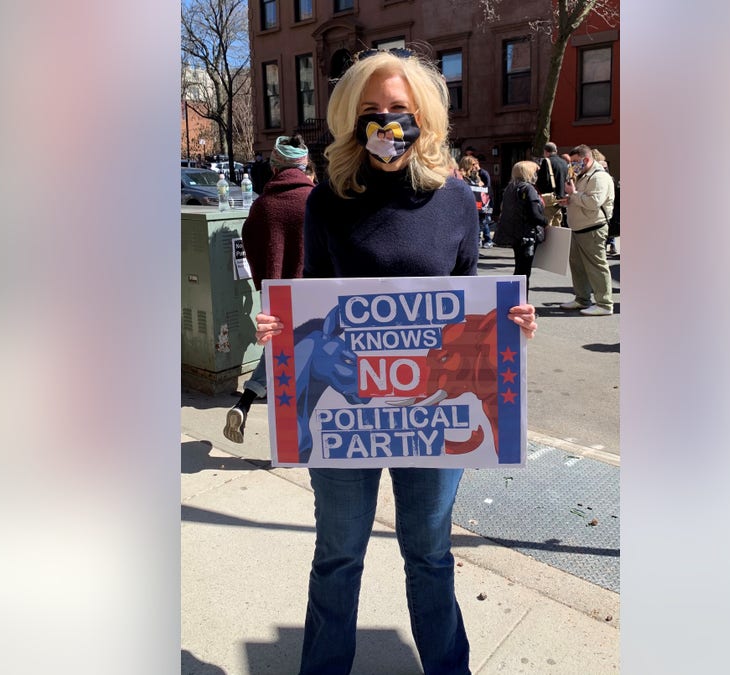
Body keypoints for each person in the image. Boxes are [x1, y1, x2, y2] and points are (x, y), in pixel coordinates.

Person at [253, 49, 537, 675]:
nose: (386, 124)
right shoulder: (326, 202)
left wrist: (510, 322)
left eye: (400, 111)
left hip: (431, 416)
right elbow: (311, 306)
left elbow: (471, 303)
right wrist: (278, 328)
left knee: (430, 554)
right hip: (345, 415)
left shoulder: (457, 200)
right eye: (372, 112)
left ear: (425, 116)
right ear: (350, 119)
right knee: (338, 555)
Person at [222, 134, 314, 443]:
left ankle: (245, 403)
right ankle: (296, 439)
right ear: (304, 167)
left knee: (279, 356)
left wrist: (267, 280)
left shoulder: (262, 206)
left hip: (275, 297)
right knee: (301, 368)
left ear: (274, 167)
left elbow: (250, 243)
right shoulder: (315, 200)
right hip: (312, 297)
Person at [556, 144, 615, 316]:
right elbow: (582, 199)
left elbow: (593, 203)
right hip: (579, 227)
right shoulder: (583, 175)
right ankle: (582, 299)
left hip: (593, 228)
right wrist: (569, 200)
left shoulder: (599, 177)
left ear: (586, 159)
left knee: (597, 266)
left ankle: (604, 304)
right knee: (578, 266)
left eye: (575, 161)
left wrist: (573, 195)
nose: (572, 165)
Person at [494, 160, 547, 286]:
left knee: (519, 269)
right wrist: (545, 222)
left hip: (515, 233)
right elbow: (534, 214)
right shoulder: (529, 189)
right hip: (527, 234)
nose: (537, 175)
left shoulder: (510, 188)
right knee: (524, 271)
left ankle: (518, 299)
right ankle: (521, 300)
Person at [459, 155, 494, 248]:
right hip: (466, 208)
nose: (475, 166)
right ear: (467, 165)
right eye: (473, 164)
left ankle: (476, 244)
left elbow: (484, 186)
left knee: (478, 227)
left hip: (478, 208)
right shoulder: (461, 176)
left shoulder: (476, 176)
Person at [535, 142, 569, 228]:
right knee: (557, 227)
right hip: (561, 199)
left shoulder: (547, 161)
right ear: (556, 150)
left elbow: (543, 182)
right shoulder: (564, 162)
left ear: (545, 151)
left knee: (547, 227)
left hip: (549, 199)